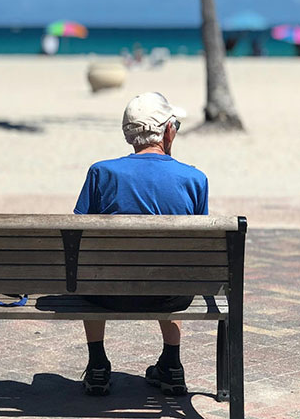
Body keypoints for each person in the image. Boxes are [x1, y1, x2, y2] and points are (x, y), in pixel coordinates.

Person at [73, 92, 208, 397]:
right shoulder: (194, 179)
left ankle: (97, 365)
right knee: (173, 266)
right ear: (168, 131)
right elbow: (197, 249)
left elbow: (79, 236)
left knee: (91, 269)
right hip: (171, 296)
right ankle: (172, 364)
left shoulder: (101, 173)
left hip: (107, 294)